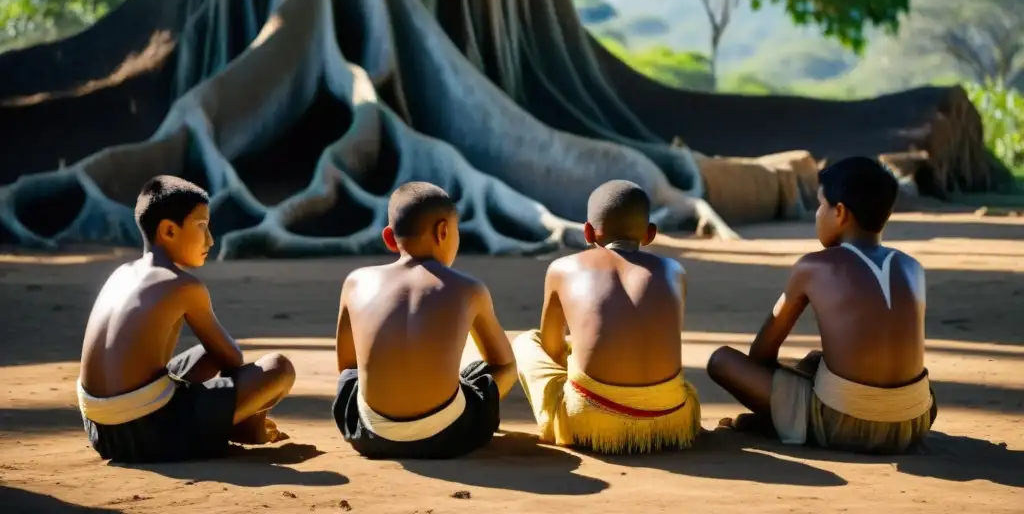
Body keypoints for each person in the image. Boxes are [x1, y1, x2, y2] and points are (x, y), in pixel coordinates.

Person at [707, 156, 937, 454]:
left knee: (722, 361)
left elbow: (761, 354)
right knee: (817, 361)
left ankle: (785, 423)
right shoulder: (912, 266)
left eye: (820, 205)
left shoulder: (813, 266)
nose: (817, 214)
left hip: (842, 425)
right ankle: (796, 413)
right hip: (914, 421)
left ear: (840, 213)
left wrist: (782, 394)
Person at [77, 176, 296, 463]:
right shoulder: (183, 285)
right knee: (278, 368)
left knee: (208, 353)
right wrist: (247, 404)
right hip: (146, 432)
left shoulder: (121, 273)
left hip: (100, 430)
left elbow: (215, 356)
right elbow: (232, 358)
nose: (210, 240)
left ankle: (225, 422)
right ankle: (242, 425)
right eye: (201, 226)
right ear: (168, 230)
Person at [513, 180, 701, 454]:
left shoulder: (561, 268)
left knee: (528, 341)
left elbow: (552, 349)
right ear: (650, 234)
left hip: (588, 422)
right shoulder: (674, 270)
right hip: (671, 421)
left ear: (588, 232)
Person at [332, 182, 516, 459]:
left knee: (353, 378)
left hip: (369, 435)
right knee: (485, 371)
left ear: (389, 238)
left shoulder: (356, 282)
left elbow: (347, 368)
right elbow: (503, 364)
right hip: (449, 437)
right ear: (443, 231)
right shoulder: (469, 289)